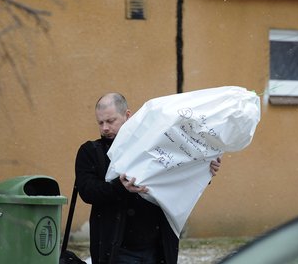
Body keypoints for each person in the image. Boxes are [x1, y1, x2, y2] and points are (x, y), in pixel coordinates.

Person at [75, 92, 221, 264]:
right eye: (100, 122)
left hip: (159, 247)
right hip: (117, 250)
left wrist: (203, 170)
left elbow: (177, 173)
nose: (105, 128)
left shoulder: (153, 143)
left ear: (127, 116)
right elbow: (87, 190)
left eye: (110, 121)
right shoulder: (91, 151)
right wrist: (119, 187)